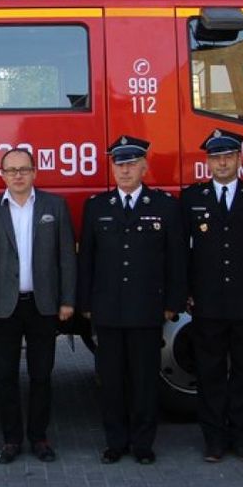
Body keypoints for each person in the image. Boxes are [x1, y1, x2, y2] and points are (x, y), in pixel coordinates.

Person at [77, 135, 186, 465]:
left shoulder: (165, 206)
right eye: (118, 164)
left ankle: (142, 444)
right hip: (108, 310)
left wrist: (173, 302)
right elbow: (87, 262)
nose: (124, 171)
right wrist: (86, 304)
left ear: (144, 167)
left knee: (144, 380)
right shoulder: (96, 207)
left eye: (130, 164)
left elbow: (176, 260)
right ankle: (115, 442)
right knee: (111, 381)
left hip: (147, 309)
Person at [181, 128, 243, 463]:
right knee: (209, 376)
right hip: (207, 303)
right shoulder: (193, 198)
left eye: (227, 156)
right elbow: (182, 252)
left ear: (240, 159)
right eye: (215, 158)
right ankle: (213, 441)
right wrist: (186, 293)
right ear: (207, 162)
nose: (221, 163)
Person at [0, 147, 76, 464]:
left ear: (34, 172)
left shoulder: (54, 207)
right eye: (11, 170)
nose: (17, 175)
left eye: (23, 169)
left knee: (42, 375)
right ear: (1, 174)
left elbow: (67, 257)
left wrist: (68, 299)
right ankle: (12, 439)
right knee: (5, 377)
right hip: (3, 308)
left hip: (43, 306)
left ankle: (39, 437)